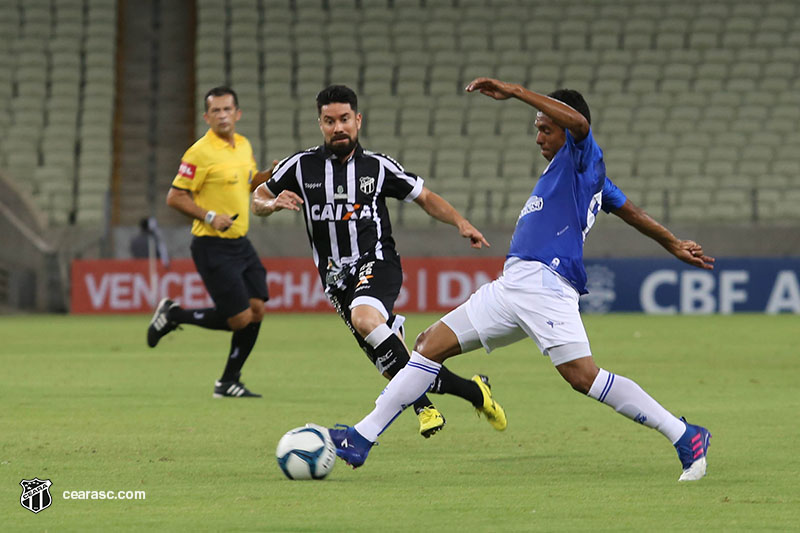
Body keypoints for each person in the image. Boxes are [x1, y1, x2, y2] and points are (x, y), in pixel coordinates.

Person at [327, 78, 716, 482]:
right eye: (537, 128)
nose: (538, 137)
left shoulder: (583, 156)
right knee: (428, 346)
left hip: (546, 283)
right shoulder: (576, 174)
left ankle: (685, 434)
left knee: (584, 377)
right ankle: (361, 437)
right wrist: (670, 241)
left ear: (567, 129)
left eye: (545, 128)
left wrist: (514, 91)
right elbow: (628, 208)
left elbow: (581, 126)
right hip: (512, 285)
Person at [251, 84, 506, 438]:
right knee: (389, 362)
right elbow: (257, 198)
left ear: (357, 120)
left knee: (366, 318)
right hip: (336, 279)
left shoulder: (377, 167)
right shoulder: (300, 165)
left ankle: (423, 408)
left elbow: (425, 197)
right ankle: (474, 392)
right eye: (329, 121)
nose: (337, 127)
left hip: (378, 261)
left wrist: (460, 222)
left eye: (344, 119)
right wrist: (271, 204)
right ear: (320, 124)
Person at [146, 86, 271, 398]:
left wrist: (270, 175)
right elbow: (174, 196)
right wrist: (209, 215)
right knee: (239, 318)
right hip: (211, 245)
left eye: (228, 109)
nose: (223, 115)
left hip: (240, 242)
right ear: (207, 117)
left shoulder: (243, 145)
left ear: (238, 113)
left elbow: (250, 181)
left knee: (256, 310)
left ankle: (228, 381)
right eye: (216, 111)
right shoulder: (198, 152)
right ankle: (173, 315)